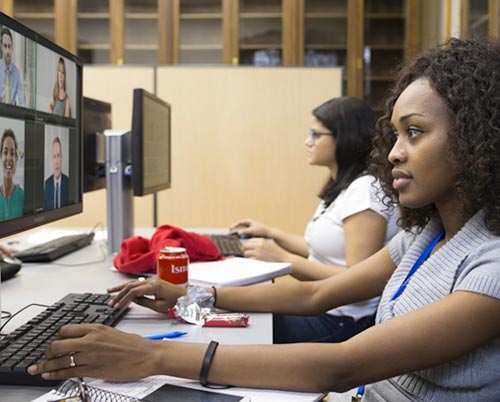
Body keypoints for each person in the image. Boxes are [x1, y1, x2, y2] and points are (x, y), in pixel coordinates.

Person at [29, 38, 500, 401]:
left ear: (476, 136)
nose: (395, 152)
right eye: (395, 134)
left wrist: (153, 355)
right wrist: (194, 294)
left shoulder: (491, 268)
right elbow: (317, 293)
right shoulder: (427, 235)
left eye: (414, 133)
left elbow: (344, 365)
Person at [231, 96, 399, 343]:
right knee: (242, 312)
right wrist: (271, 233)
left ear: (344, 138)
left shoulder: (366, 191)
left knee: (246, 324)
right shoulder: (343, 185)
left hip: (343, 321)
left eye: (315, 135)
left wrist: (283, 259)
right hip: (325, 309)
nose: (307, 142)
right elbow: (323, 251)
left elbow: (358, 281)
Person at [0, 129, 24, 221]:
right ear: (1, 157)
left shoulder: (22, 197)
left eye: (12, 153)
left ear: (16, 158)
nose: (9, 158)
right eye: (5, 152)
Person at [0, 27, 26, 107]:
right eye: (5, 46)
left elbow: (22, 101)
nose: (8, 51)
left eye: (9, 46)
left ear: (12, 47)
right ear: (1, 46)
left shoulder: (16, 72)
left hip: (10, 117)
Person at [44, 136, 69, 210]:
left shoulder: (69, 183)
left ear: (62, 157)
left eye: (58, 155)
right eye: (54, 157)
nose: (56, 162)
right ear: (51, 160)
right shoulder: (47, 184)